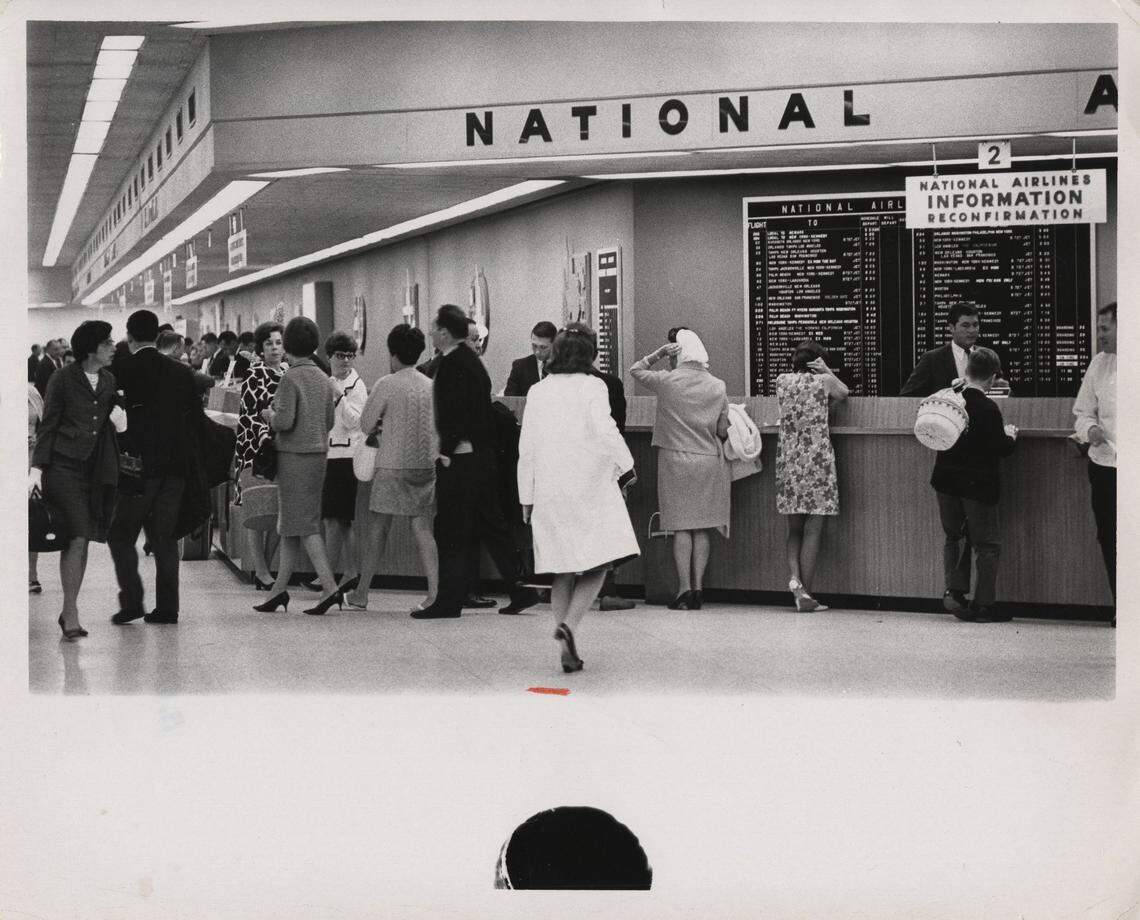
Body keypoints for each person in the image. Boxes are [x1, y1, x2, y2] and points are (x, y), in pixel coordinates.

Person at [518, 327, 639, 672]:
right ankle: (569, 625)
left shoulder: (538, 391)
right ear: (590, 354)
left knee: (562, 566)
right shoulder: (593, 386)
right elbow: (606, 429)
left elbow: (525, 448)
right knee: (599, 562)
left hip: (549, 490)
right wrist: (627, 467)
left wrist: (526, 495)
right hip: (589, 486)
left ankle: (564, 642)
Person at [412, 304, 539, 619]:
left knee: (451, 529)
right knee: (492, 526)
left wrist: (445, 450)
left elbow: (455, 412)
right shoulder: (470, 361)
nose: (430, 333)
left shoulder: (454, 363)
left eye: (433, 329)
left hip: (462, 460)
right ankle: (521, 589)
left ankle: (448, 600)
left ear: (444, 332)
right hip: (481, 459)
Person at [108, 310, 210, 627]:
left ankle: (133, 601)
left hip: (138, 466)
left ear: (130, 336)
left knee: (121, 534)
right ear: (157, 335)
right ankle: (168, 608)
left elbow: (114, 416)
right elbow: (196, 419)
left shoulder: (122, 369)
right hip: (176, 466)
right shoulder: (181, 373)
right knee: (164, 538)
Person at [29, 321, 119, 638]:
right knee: (77, 537)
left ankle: (70, 608)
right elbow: (48, 424)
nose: (113, 346)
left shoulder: (108, 380)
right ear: (91, 347)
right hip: (63, 468)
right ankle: (71, 612)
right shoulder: (62, 379)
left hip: (93, 471)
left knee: (82, 541)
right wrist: (36, 469)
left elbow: (108, 420)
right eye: (107, 342)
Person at [630, 327, 729, 610]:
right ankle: (699, 589)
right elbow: (722, 429)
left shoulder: (668, 381)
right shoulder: (718, 386)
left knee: (681, 528)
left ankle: (683, 589)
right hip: (708, 460)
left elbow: (635, 370)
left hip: (675, 460)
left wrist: (659, 353)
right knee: (702, 528)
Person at [253, 316, 344, 616]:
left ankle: (330, 588)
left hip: (293, 457)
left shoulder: (290, 378)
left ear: (289, 345)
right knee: (292, 525)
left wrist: (269, 415)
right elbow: (330, 421)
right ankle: (279, 591)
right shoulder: (323, 378)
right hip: (318, 454)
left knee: (303, 525)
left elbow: (284, 421)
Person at [347, 324, 440, 612]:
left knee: (379, 529)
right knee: (423, 529)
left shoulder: (387, 383)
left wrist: (380, 425)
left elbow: (364, 424)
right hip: (424, 465)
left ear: (393, 353)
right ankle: (435, 593)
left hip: (391, 465)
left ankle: (362, 592)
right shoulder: (431, 385)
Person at [930, 346, 1018, 623]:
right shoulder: (988, 408)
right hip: (977, 485)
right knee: (986, 545)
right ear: (992, 378)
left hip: (945, 481)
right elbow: (1000, 448)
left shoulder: (950, 399)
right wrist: (1011, 436)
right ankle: (984, 605)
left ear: (967, 371)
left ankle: (954, 593)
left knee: (953, 537)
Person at [559, 321, 634, 611]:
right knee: (605, 532)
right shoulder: (609, 384)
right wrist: (625, 470)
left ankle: (564, 594)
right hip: (601, 471)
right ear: (594, 352)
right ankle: (607, 591)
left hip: (566, 471)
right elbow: (617, 430)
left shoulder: (547, 388)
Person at [775, 340, 849, 611]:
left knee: (794, 529)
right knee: (814, 528)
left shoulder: (781, 381)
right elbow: (844, 393)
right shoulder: (823, 382)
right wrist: (826, 370)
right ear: (817, 362)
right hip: (817, 461)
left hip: (789, 461)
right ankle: (805, 593)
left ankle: (795, 580)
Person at [1073, 302, 1116, 624]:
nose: (1099, 335)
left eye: (1104, 328)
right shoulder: (1098, 364)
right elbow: (1083, 411)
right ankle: (1123, 607)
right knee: (1109, 536)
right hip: (1103, 465)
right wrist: (1090, 429)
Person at [235, 321, 287, 589]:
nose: (275, 348)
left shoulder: (289, 371)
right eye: (269, 344)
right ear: (261, 348)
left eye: (278, 343)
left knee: (277, 511)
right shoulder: (255, 374)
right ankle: (262, 571)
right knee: (258, 510)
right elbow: (249, 415)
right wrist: (270, 428)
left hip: (283, 450)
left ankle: (264, 569)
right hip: (257, 451)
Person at [320, 331, 368, 586]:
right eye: (340, 356)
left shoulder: (356, 386)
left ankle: (326, 576)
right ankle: (349, 572)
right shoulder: (329, 381)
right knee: (339, 519)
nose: (346, 361)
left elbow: (356, 421)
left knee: (333, 518)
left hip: (346, 456)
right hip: (330, 454)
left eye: (350, 356)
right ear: (330, 357)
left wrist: (338, 396)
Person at [900, 304, 984, 397]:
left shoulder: (987, 356)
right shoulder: (932, 359)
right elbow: (907, 396)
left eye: (975, 325)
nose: (972, 330)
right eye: (965, 325)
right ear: (951, 328)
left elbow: (1000, 387)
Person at [504, 320, 557, 396]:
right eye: (534, 346)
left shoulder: (564, 367)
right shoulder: (519, 366)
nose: (537, 352)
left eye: (543, 347)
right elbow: (509, 400)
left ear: (554, 344)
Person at [158, 329, 213, 395]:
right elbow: (210, 381)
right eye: (182, 348)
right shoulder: (181, 366)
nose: (183, 352)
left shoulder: (151, 364)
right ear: (175, 348)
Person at [28, 382, 44, 594]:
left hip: (29, 460)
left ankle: (32, 573)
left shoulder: (31, 392)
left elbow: (46, 424)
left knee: (30, 517)